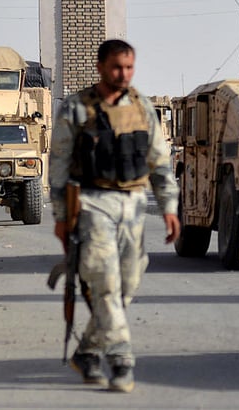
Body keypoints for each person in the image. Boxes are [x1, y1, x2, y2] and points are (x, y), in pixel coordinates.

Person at [49, 39, 180, 393]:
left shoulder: (141, 106)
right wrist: (62, 216)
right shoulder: (77, 108)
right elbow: (59, 164)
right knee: (104, 282)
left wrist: (169, 207)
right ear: (101, 67)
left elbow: (159, 160)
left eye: (129, 67)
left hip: (134, 203)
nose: (123, 74)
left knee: (127, 284)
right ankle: (121, 360)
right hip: (92, 203)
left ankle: (89, 352)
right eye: (116, 67)